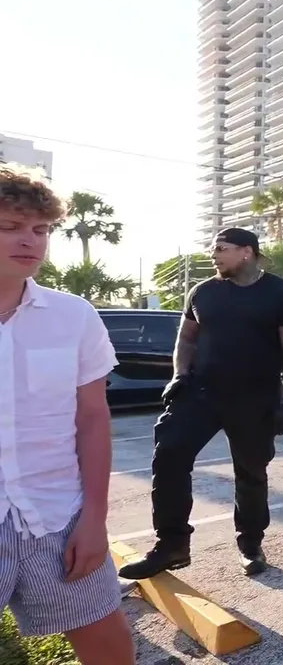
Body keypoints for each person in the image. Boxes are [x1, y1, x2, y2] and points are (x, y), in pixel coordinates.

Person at [118, 227, 283, 580]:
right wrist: (179, 375)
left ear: (247, 251)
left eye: (221, 248)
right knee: (170, 454)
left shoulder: (282, 295)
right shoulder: (202, 291)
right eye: (212, 248)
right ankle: (172, 545)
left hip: (255, 397)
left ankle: (250, 544)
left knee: (251, 472)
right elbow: (186, 339)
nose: (213, 254)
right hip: (201, 393)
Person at [0, 165, 135, 664]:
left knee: (110, 649)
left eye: (40, 230)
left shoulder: (74, 316)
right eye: (10, 226)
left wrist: (95, 519)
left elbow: (93, 419)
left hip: (58, 516)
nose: (29, 240)